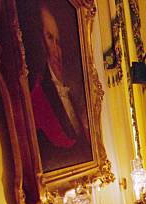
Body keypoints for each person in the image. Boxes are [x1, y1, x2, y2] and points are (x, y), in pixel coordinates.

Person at [30, 3, 92, 172]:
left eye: (58, 41)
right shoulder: (38, 97)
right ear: (40, 42)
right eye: (50, 38)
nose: (57, 50)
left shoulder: (69, 95)